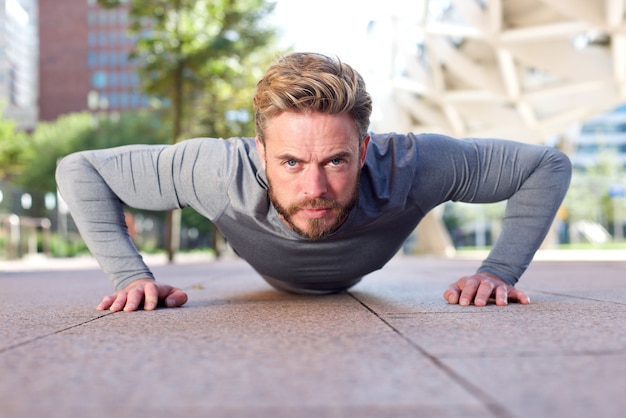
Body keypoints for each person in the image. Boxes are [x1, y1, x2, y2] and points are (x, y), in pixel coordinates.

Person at [55, 52, 572, 312]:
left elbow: (545, 165)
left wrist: (499, 271)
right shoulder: (214, 170)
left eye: (336, 162)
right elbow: (81, 168)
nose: (316, 190)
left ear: (365, 149)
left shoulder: (414, 164)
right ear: (260, 153)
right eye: (292, 164)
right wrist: (130, 278)